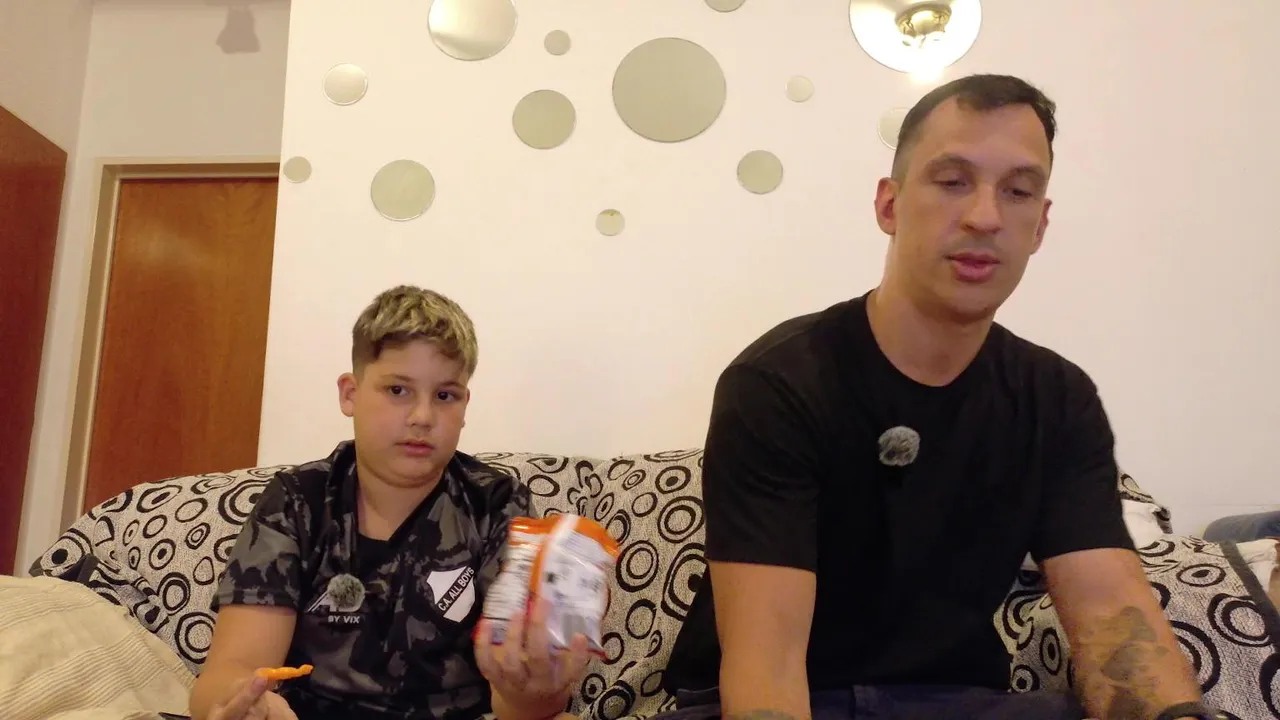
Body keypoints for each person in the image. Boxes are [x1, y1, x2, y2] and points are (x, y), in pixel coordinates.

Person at [661, 75, 1222, 720]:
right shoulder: (780, 381)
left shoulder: (1058, 399)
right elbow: (769, 670)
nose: (985, 216)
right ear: (889, 205)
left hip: (956, 700)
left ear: (1039, 225)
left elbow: (1110, 618)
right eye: (953, 180)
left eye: (1017, 191)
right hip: (787, 697)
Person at [191, 285, 589, 720]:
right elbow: (231, 670)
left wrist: (531, 689)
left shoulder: (495, 504)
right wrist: (248, 705)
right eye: (398, 390)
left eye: (445, 395)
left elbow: (521, 704)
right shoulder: (296, 502)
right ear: (350, 393)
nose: (422, 417)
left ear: (464, 405)